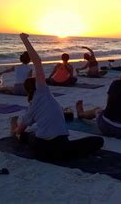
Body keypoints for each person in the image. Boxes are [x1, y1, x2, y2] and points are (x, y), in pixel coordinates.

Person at [10, 33, 104, 161]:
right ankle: (16, 129)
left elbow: (20, 130)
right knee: (98, 141)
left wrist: (16, 130)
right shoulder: (43, 91)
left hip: (43, 149)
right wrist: (24, 40)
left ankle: (14, 128)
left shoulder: (31, 107)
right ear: (38, 85)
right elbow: (37, 62)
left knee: (26, 136)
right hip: (62, 147)